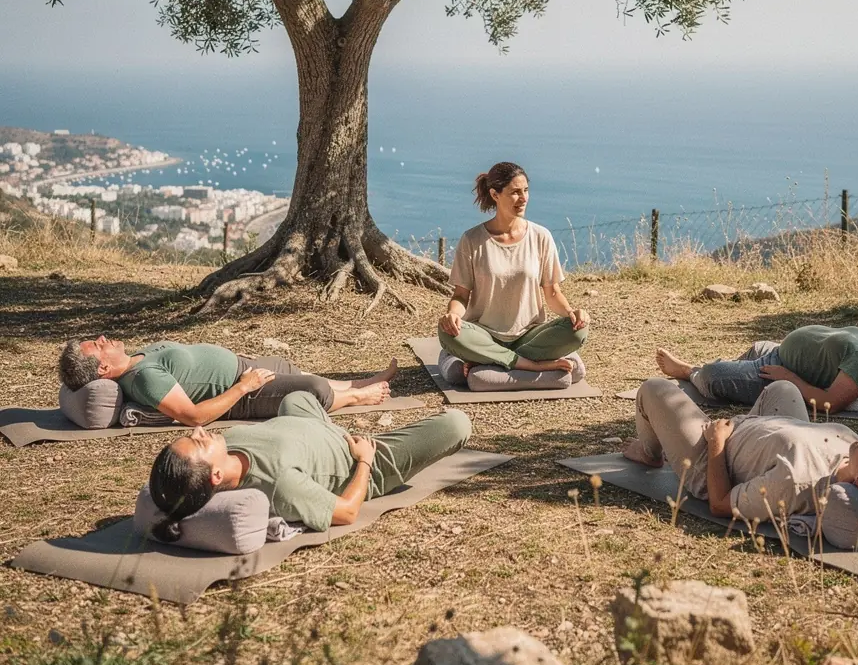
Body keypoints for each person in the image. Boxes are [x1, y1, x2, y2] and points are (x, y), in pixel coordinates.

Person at [624, 377, 858, 551]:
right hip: (760, 433)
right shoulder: (852, 452)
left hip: (710, 457)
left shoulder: (795, 482)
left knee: (654, 389)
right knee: (782, 388)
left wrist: (716, 442)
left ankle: (649, 451)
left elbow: (720, 504)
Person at [147, 391, 472, 537]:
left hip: (313, 425)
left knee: (297, 398)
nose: (201, 430)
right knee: (457, 423)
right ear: (215, 475)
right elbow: (346, 511)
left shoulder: (228, 445)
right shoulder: (278, 486)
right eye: (200, 442)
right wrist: (365, 462)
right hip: (358, 454)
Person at [438, 161, 589, 375]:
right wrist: (452, 314)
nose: (523, 198)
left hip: (530, 335)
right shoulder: (471, 240)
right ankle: (531, 365)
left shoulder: (541, 236)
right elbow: (461, 295)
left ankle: (492, 359)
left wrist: (572, 313)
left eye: (526, 191)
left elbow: (553, 292)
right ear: (495, 194)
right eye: (515, 192)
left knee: (578, 332)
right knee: (446, 333)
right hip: (484, 334)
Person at [58, 335, 397, 426]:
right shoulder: (143, 378)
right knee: (314, 390)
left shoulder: (137, 359)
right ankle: (358, 397)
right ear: (103, 370)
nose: (103, 338)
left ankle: (357, 383)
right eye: (98, 346)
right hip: (244, 395)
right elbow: (193, 417)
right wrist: (243, 387)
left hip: (243, 368)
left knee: (291, 369)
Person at [655, 325, 858, 413]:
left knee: (712, 375)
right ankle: (726, 370)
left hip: (776, 374)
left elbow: (829, 403)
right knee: (749, 352)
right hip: (775, 353)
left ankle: (688, 372)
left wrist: (790, 379)